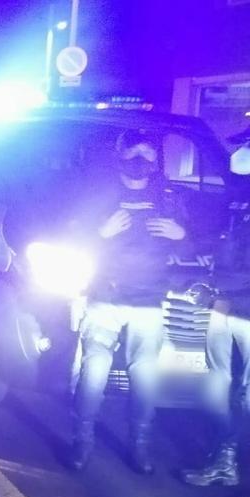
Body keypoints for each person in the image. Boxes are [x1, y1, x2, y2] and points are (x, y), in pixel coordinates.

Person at [68, 129, 188, 473]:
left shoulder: (168, 196)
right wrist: (99, 233)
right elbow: (72, 238)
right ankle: (82, 441)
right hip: (105, 293)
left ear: (156, 159)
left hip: (149, 296)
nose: (140, 160)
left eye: (148, 154)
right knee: (95, 367)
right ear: (119, 153)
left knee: (145, 373)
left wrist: (182, 236)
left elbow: (192, 245)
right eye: (133, 151)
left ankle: (140, 446)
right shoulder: (99, 193)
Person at [181, 125, 250, 497]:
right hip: (226, 304)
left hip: (240, 305)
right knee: (219, 388)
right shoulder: (240, 194)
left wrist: (228, 293)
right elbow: (228, 243)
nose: (238, 152)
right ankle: (224, 462)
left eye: (246, 145)